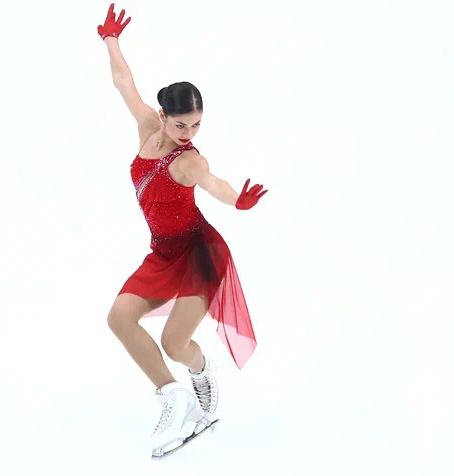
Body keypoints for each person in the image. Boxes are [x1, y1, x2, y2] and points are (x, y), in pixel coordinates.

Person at [98, 3, 268, 459]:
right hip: (163, 252)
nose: (189, 132)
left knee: (175, 343)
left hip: (200, 252)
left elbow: (214, 183)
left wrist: (237, 200)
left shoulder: (190, 160)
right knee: (119, 318)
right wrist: (111, 41)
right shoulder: (146, 128)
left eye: (196, 124)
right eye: (181, 124)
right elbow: (123, 82)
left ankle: (202, 373)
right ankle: (174, 397)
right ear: (162, 115)